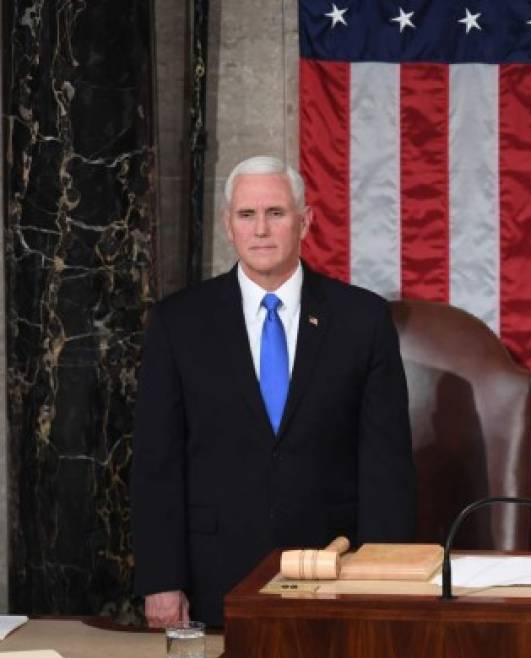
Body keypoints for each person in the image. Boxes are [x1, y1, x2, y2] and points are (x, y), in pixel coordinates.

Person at [130, 156, 416, 627]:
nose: (261, 230)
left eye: (276, 213)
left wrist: (382, 580)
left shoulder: (361, 320)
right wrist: (161, 579)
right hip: (213, 578)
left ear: (305, 222)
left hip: (333, 574)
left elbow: (386, 467)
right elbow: (157, 463)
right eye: (247, 215)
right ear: (228, 225)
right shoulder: (178, 323)